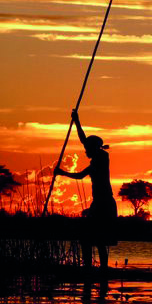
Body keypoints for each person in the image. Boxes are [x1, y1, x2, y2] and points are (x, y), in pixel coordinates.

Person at [55, 110, 117, 269]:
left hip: (104, 203)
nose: (85, 150)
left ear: (94, 148)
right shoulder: (97, 155)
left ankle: (95, 269)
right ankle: (92, 268)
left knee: (95, 238)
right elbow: (83, 139)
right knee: (91, 238)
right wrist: (76, 120)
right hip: (100, 203)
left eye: (87, 148)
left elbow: (81, 175)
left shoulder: (101, 159)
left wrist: (62, 173)